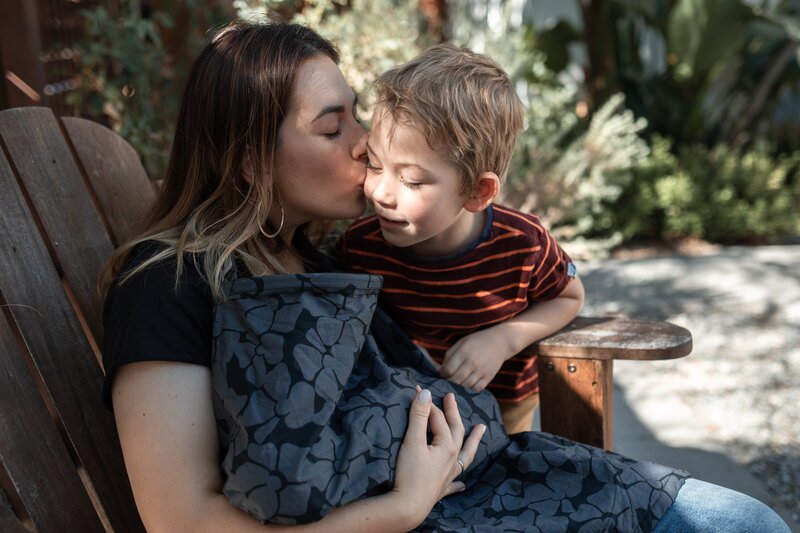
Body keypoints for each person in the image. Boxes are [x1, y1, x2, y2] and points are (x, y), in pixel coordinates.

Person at [100, 19, 790, 533]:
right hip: (422, 511)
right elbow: (182, 520)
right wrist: (402, 506)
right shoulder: (168, 283)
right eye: (332, 125)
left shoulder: (324, 257)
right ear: (249, 159)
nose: (366, 144)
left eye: (358, 116)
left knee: (749, 522)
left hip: (479, 476)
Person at [337, 44, 584, 434]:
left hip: (506, 405)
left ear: (477, 192)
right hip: (412, 407)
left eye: (411, 180)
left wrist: (503, 340)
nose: (381, 193)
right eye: (375, 164)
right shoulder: (360, 247)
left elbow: (569, 297)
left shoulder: (524, 244)